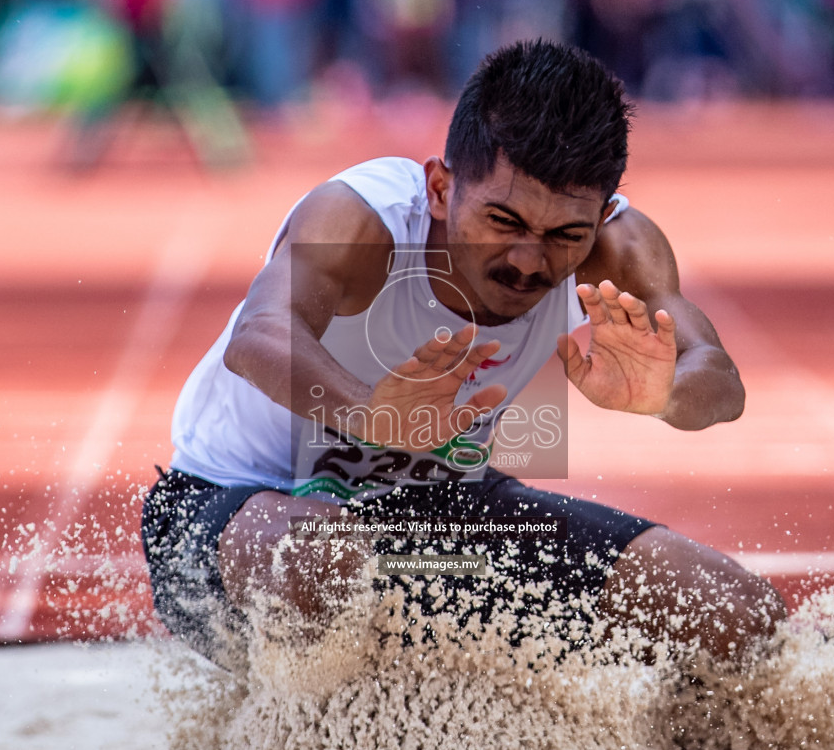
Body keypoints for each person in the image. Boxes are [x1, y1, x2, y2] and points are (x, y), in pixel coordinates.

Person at [143, 39, 785, 672]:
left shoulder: (618, 244)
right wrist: (372, 415)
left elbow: (721, 383)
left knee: (738, 615)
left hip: (435, 531)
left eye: (565, 235)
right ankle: (322, 733)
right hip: (237, 511)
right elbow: (256, 336)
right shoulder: (367, 220)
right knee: (323, 561)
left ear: (600, 217)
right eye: (503, 221)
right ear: (441, 188)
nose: (529, 261)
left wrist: (667, 392)